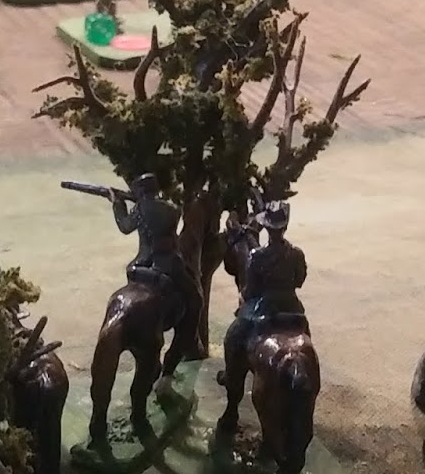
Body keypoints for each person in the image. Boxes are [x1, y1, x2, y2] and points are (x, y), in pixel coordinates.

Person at [222, 200, 309, 406]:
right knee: (305, 333)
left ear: (267, 228)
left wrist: (244, 295)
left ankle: (231, 376)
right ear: (285, 227)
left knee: (233, 336)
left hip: (263, 309)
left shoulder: (257, 256)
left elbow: (250, 290)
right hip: (292, 308)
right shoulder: (296, 254)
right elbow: (299, 280)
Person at [112, 173, 201, 333]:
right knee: (195, 298)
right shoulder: (172, 210)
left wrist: (118, 204)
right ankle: (187, 337)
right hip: (170, 264)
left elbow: (125, 226)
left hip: (141, 264)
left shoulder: (139, 209)